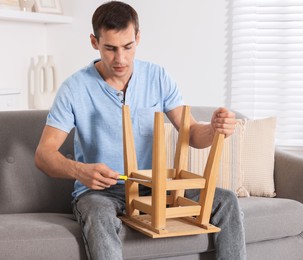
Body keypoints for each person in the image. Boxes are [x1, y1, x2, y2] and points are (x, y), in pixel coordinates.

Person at [35, 1, 246, 260]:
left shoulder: (158, 77)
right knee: (98, 215)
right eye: (110, 48)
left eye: (128, 47)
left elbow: (190, 132)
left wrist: (214, 129)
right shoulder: (74, 88)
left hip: (155, 185)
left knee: (225, 200)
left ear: (138, 38)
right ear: (94, 42)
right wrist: (81, 171)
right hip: (102, 192)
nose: (120, 59)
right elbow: (44, 155)